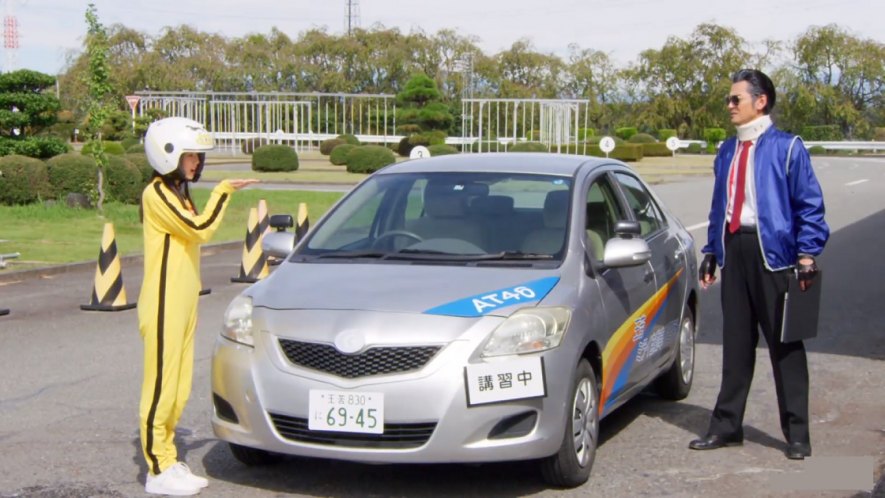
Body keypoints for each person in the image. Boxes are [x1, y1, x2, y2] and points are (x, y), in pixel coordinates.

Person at [689, 69, 829, 460]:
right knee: (735, 345)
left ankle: (797, 434)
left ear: (760, 101)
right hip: (736, 250)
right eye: (729, 99)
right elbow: (721, 205)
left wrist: (806, 255)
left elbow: (810, 206)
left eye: (736, 99)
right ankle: (726, 427)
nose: (729, 105)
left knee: (785, 347)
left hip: (776, 256)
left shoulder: (787, 147)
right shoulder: (727, 150)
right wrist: (712, 250)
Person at [138, 117, 258, 495]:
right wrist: (223, 191)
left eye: (197, 156)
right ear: (168, 155)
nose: (196, 163)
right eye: (190, 155)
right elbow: (200, 228)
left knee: (180, 385)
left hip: (184, 300)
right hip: (162, 302)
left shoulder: (179, 193)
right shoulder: (156, 195)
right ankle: (157, 468)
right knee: (160, 385)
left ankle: (169, 458)